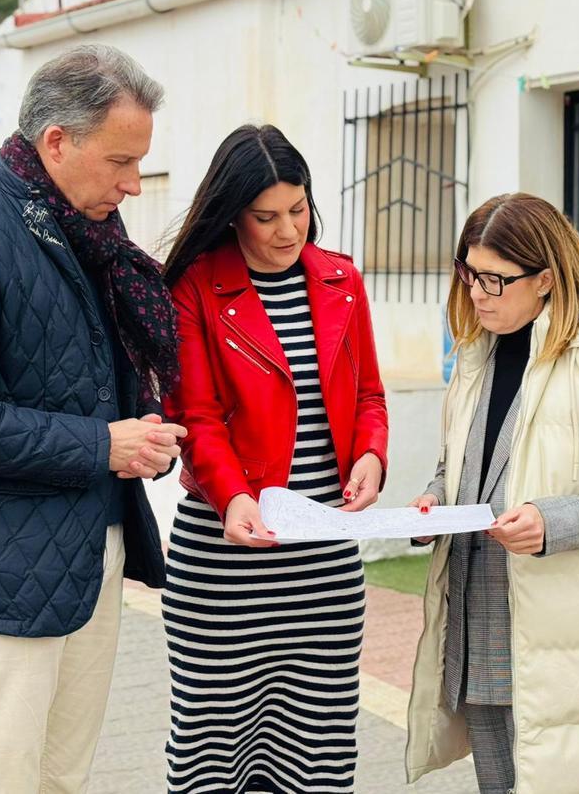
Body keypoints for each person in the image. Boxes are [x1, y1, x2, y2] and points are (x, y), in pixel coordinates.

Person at [0, 43, 187, 793]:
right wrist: (102, 444)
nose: (133, 184)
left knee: (60, 779)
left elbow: (94, 382)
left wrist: (142, 429)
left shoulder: (94, 242)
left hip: (90, 552)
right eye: (120, 161)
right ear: (57, 141)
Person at [404, 193, 579, 794]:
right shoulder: (479, 351)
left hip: (555, 633)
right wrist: (431, 501)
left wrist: (548, 523)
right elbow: (460, 464)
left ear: (546, 278)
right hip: (475, 619)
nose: (478, 294)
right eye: (470, 275)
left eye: (496, 280)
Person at [161, 124, 389, 793]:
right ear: (232, 214)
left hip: (324, 565)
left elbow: (369, 393)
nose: (289, 230)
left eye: (298, 208)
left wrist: (371, 453)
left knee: (319, 754)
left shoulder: (342, 279)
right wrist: (234, 497)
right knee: (211, 754)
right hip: (225, 564)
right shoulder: (196, 287)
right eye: (267, 217)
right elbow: (194, 418)